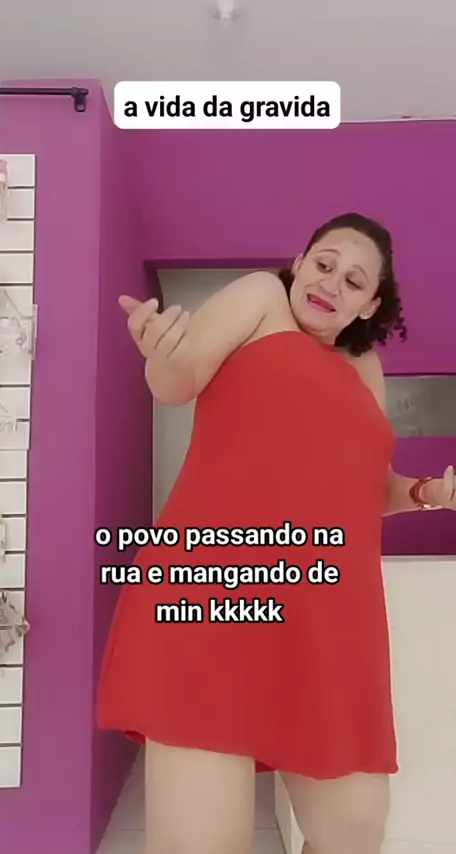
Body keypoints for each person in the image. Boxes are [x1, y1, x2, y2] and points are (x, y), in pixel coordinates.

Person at [97, 213, 456, 854]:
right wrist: (161, 356)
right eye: (324, 263)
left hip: (326, 625)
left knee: (352, 835)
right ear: (299, 263)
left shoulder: (364, 366)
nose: (331, 283)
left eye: (354, 280)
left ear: (370, 304)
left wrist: (427, 494)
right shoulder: (263, 299)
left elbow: (363, 489)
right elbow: (178, 380)